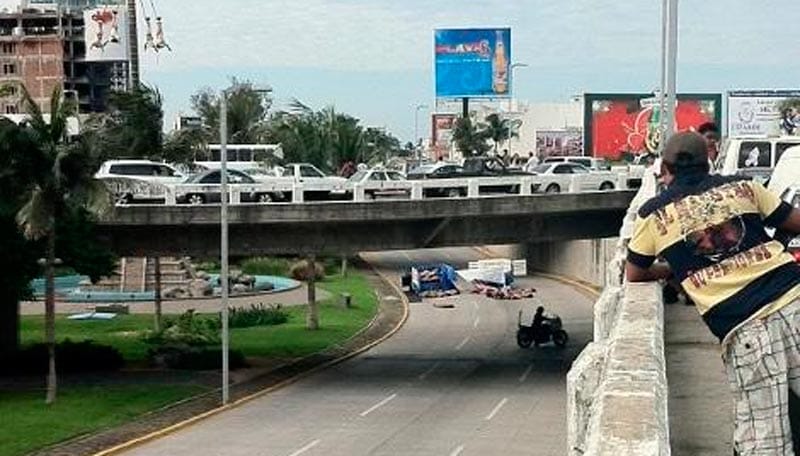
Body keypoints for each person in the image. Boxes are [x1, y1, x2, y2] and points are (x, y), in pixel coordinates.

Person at [626, 131, 800, 455]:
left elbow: (634, 274)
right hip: (794, 296)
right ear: (709, 161)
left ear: (665, 169)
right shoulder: (745, 187)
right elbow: (795, 221)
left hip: (746, 327)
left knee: (765, 440)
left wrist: (673, 270)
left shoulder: (654, 215)